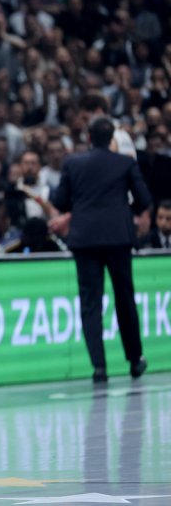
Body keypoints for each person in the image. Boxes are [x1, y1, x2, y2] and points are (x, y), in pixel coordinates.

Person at [51, 116, 152, 383]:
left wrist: (81, 207)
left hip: (85, 238)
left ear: (88, 138)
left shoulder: (72, 163)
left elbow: (60, 201)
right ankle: (135, 360)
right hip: (118, 237)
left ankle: (99, 366)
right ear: (111, 140)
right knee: (125, 298)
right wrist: (123, 212)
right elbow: (144, 199)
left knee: (90, 302)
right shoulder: (125, 162)